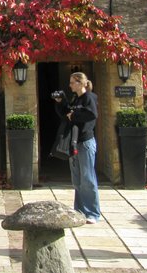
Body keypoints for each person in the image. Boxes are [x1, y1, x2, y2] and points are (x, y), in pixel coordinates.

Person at [54, 71, 101, 224]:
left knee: (88, 178)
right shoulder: (76, 99)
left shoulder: (89, 97)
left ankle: (93, 213)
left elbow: (92, 114)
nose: (70, 85)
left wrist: (74, 116)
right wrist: (61, 102)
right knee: (77, 179)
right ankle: (80, 210)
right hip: (74, 142)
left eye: (72, 82)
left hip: (85, 142)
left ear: (80, 83)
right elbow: (66, 114)